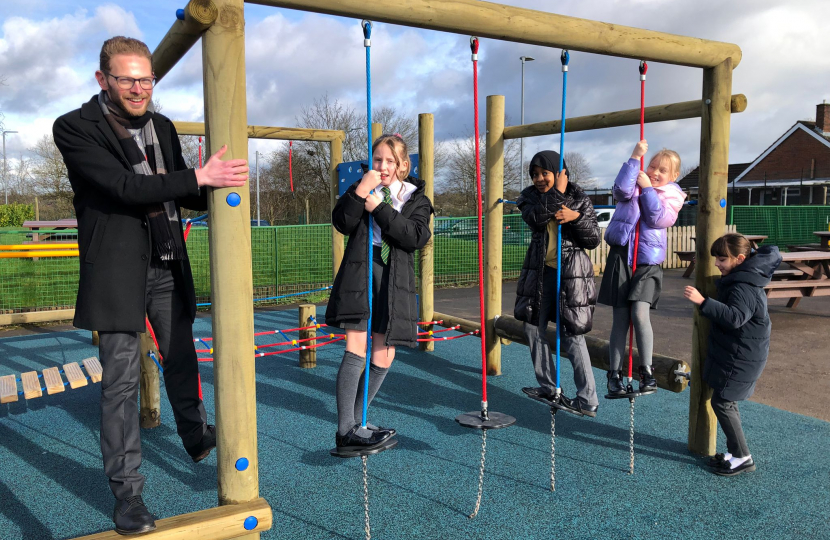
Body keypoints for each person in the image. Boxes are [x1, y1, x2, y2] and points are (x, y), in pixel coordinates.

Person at [53, 36, 248, 535]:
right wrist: (194, 178)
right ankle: (128, 496)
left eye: (146, 79)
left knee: (182, 354)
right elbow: (123, 187)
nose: (139, 88)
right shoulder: (76, 127)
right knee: (119, 384)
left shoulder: (161, 126)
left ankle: (194, 434)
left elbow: (180, 192)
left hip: (165, 260)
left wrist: (215, 182)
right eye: (127, 79)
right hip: (117, 269)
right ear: (103, 79)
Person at [326, 134, 433, 451]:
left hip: (395, 278)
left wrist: (380, 208)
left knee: (385, 351)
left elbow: (414, 236)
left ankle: (358, 422)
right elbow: (342, 222)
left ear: (403, 165)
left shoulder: (417, 199)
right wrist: (361, 193)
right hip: (362, 270)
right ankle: (345, 428)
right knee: (356, 344)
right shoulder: (361, 189)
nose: (382, 166)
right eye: (377, 160)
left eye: (390, 161)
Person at [684, 234, 781, 476]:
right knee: (726, 400)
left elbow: (736, 317)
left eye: (721, 259)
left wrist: (703, 301)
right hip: (742, 353)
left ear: (739, 259)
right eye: (715, 258)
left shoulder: (743, 286)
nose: (717, 263)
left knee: (722, 402)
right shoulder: (743, 277)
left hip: (742, 356)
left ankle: (742, 456)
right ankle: (735, 451)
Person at [515, 150, 601, 417]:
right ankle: (550, 386)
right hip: (541, 273)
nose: (539, 179)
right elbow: (536, 219)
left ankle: (588, 400)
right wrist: (557, 195)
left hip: (571, 274)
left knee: (573, 335)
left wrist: (575, 218)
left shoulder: (579, 198)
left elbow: (594, 238)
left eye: (545, 173)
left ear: (559, 172)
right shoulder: (530, 197)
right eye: (535, 174)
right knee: (532, 327)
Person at [598, 140, 686, 396]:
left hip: (647, 262)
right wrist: (635, 157)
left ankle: (646, 372)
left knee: (639, 313)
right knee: (620, 319)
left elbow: (658, 218)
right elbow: (619, 191)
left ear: (674, 176)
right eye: (653, 167)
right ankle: (614, 374)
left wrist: (648, 190)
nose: (655, 173)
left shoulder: (673, 196)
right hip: (622, 256)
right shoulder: (634, 185)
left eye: (663, 171)